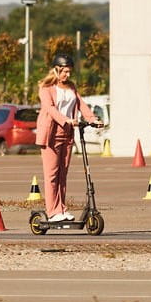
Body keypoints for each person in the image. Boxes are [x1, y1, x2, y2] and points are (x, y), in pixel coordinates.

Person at [35, 54, 101, 222]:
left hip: (68, 134)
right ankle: (52, 212)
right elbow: (50, 108)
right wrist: (66, 120)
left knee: (63, 174)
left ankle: (62, 209)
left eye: (69, 72)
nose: (67, 75)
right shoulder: (46, 87)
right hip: (52, 133)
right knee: (52, 175)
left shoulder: (71, 87)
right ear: (56, 70)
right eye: (65, 72)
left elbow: (81, 105)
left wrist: (93, 119)